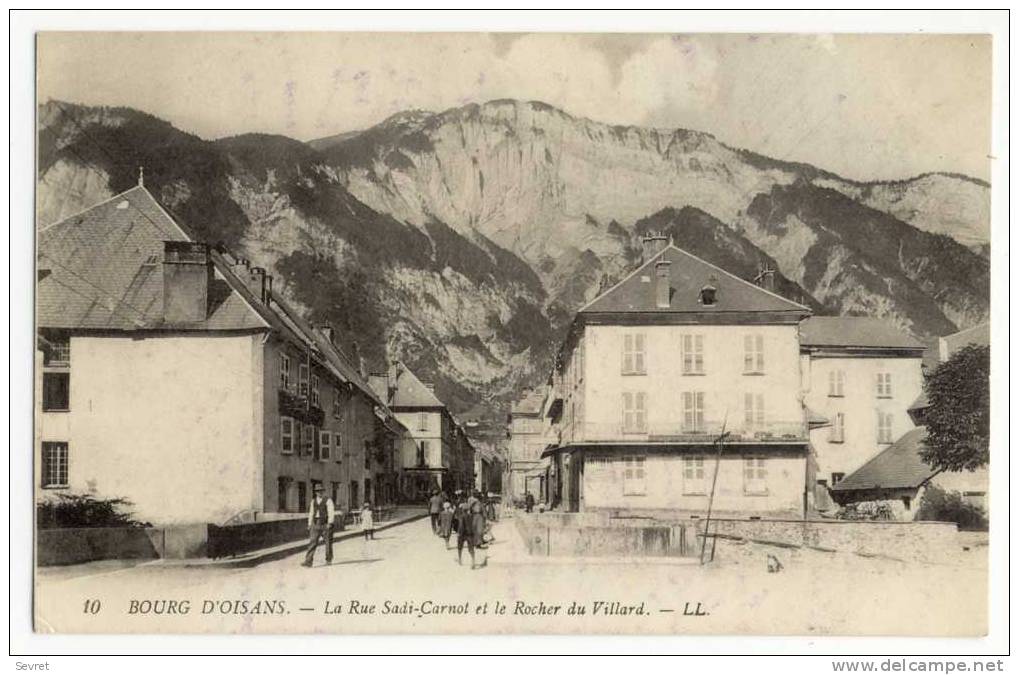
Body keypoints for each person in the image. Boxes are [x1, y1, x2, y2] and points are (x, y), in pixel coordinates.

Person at [302, 484, 335, 567]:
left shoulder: (328, 500)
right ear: (315, 492)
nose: (319, 492)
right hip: (315, 523)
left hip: (325, 524)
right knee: (312, 542)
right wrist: (309, 524)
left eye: (321, 491)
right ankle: (308, 561)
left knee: (328, 543)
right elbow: (311, 513)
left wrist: (330, 523)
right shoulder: (313, 501)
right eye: (317, 491)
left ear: (323, 491)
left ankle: (328, 559)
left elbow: (331, 512)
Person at [453, 500, 477, 568]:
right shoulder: (471, 516)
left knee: (460, 547)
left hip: (463, 534)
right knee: (471, 548)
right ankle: (473, 560)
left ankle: (460, 559)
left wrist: (459, 533)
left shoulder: (462, 516)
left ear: (463, 509)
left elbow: (461, 526)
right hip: (470, 533)